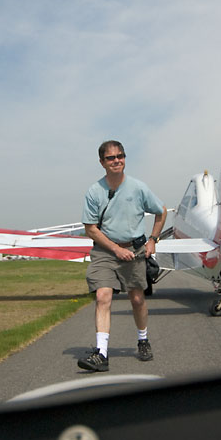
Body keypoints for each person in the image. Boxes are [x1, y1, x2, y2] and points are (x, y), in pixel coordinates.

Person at [78, 140, 167, 372]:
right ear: (102, 162)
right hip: (105, 251)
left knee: (137, 299)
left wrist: (152, 240)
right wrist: (116, 249)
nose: (117, 160)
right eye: (111, 158)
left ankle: (143, 340)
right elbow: (91, 229)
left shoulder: (138, 188)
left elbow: (161, 211)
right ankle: (101, 353)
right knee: (103, 296)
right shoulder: (94, 191)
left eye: (120, 156)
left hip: (134, 251)